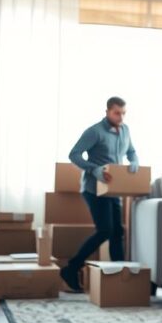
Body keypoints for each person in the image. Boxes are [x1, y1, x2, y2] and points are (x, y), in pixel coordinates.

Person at [59, 97, 138, 292]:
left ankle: (120, 277)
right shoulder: (95, 131)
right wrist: (93, 169)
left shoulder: (125, 130)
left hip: (114, 190)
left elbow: (131, 151)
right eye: (117, 113)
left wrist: (134, 160)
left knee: (117, 232)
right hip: (94, 189)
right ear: (107, 112)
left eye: (123, 113)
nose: (120, 117)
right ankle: (71, 268)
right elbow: (74, 154)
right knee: (105, 230)